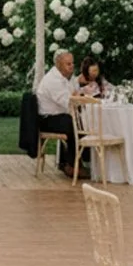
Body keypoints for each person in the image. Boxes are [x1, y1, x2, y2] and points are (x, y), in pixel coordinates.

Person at [36, 48, 81, 177]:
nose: (72, 66)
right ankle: (71, 164)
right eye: (68, 64)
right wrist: (77, 97)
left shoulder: (65, 78)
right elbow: (68, 103)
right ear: (58, 65)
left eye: (72, 63)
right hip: (47, 120)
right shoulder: (53, 80)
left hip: (58, 116)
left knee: (77, 120)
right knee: (73, 123)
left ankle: (73, 162)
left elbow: (74, 95)